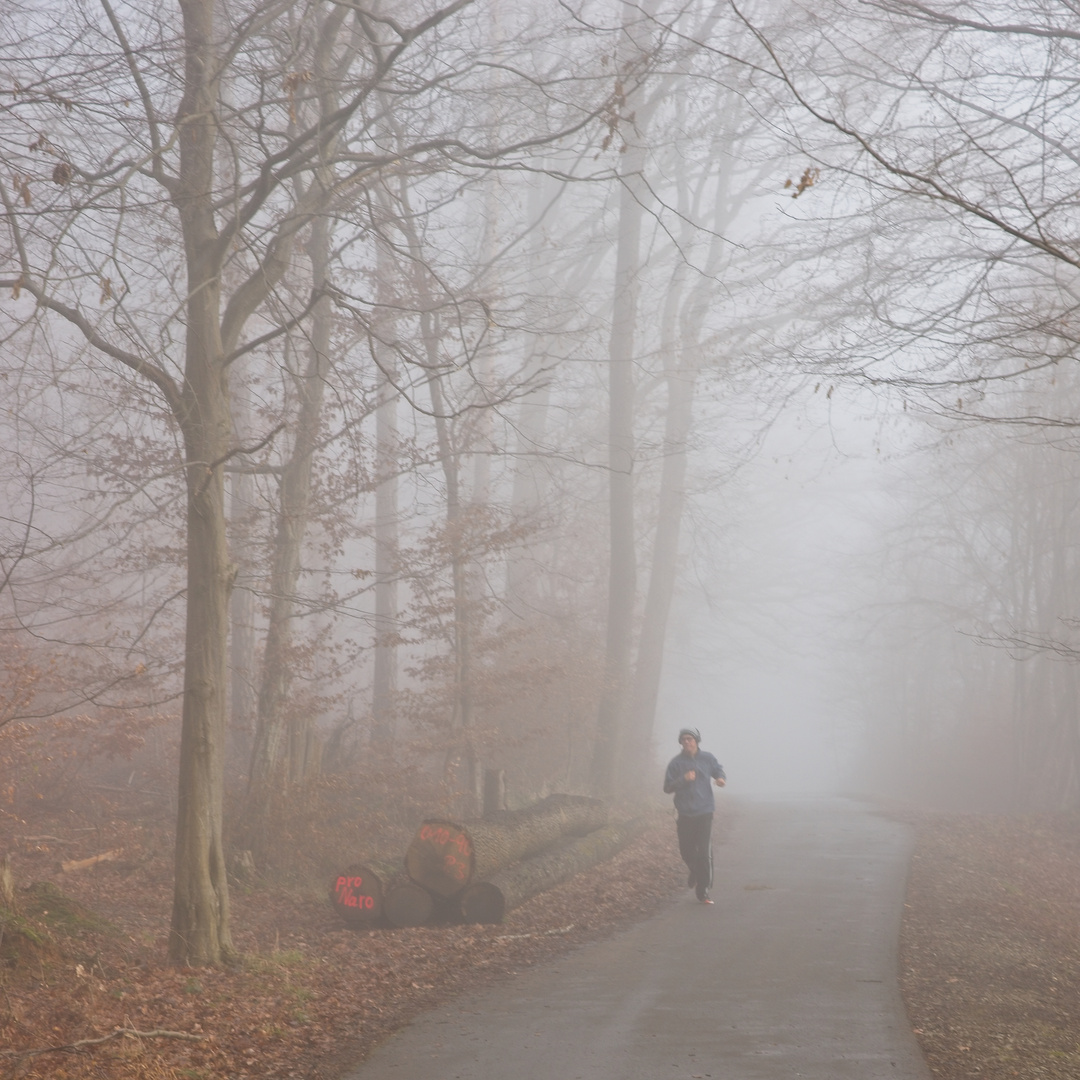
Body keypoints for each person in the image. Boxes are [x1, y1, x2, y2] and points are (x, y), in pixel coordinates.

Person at [663, 727, 726, 904]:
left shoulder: (707, 758)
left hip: (704, 811)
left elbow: (718, 770)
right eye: (683, 740)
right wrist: (683, 779)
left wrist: (720, 779)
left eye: (689, 739)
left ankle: (703, 891)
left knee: (705, 852)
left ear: (697, 741)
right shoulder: (675, 763)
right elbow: (667, 788)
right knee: (686, 851)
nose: (686, 742)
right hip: (684, 813)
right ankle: (695, 870)